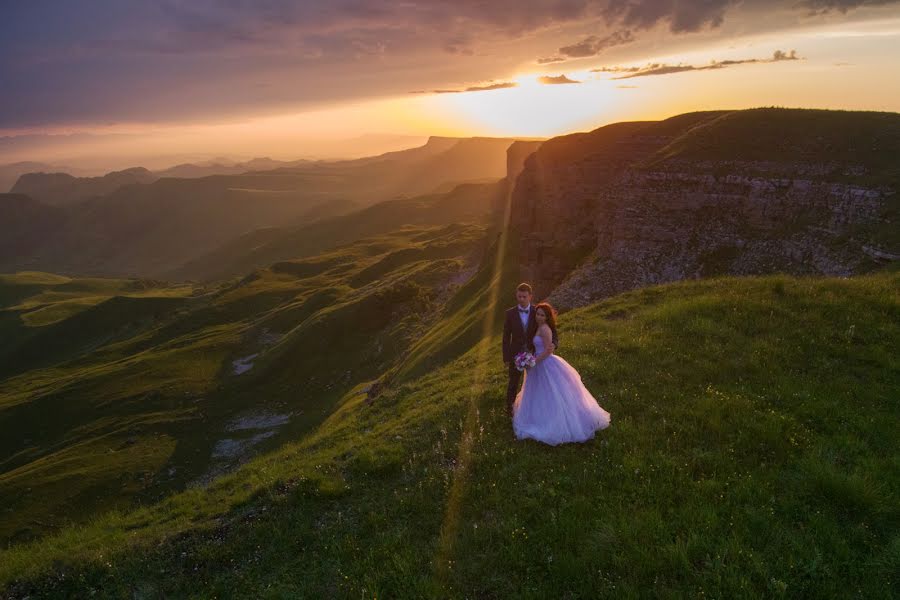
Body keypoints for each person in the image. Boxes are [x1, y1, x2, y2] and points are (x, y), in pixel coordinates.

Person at [512, 301, 611, 445]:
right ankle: (538, 418)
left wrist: (533, 362)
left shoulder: (545, 329)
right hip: (537, 364)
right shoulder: (538, 327)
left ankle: (558, 422)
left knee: (552, 393)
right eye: (537, 314)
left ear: (547, 317)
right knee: (537, 393)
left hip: (545, 364)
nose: (539, 317)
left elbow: (548, 351)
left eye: (542, 315)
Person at [502, 283, 557, 417]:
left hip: (535, 354)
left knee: (535, 383)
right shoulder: (510, 314)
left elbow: (552, 329)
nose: (521, 299)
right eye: (519, 296)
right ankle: (509, 410)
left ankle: (538, 410)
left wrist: (554, 343)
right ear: (516, 295)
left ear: (530, 296)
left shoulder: (537, 312)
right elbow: (505, 337)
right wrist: (507, 357)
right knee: (513, 382)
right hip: (516, 355)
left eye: (524, 297)